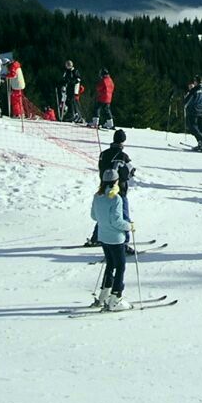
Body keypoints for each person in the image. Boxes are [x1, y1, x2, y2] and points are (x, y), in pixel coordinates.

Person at [90, 168, 134, 311]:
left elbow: (94, 216)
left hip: (103, 236)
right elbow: (117, 221)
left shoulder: (98, 195)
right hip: (116, 238)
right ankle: (116, 298)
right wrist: (129, 226)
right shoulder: (116, 198)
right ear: (116, 181)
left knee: (110, 265)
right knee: (120, 266)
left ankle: (104, 295)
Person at [88, 129, 135, 248]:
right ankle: (124, 244)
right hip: (118, 190)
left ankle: (96, 238)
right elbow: (130, 171)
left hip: (104, 187)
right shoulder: (122, 156)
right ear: (123, 141)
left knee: (103, 214)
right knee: (122, 215)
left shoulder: (103, 154)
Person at [183, 76, 202, 152]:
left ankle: (201, 142)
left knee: (193, 127)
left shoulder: (194, 90)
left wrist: (186, 97)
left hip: (194, 112)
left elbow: (186, 101)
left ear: (196, 82)